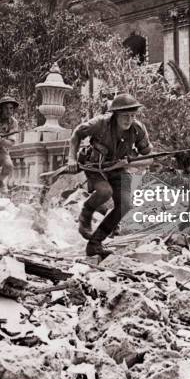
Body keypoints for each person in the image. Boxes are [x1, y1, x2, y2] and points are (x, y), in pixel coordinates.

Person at [67, 93, 152, 258]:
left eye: (132, 116)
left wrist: (129, 163)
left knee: (126, 205)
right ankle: (86, 213)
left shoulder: (137, 129)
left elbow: (148, 156)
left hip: (118, 168)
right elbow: (77, 133)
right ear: (115, 114)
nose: (129, 120)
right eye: (125, 116)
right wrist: (71, 158)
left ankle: (95, 244)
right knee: (105, 192)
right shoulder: (100, 123)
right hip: (95, 166)